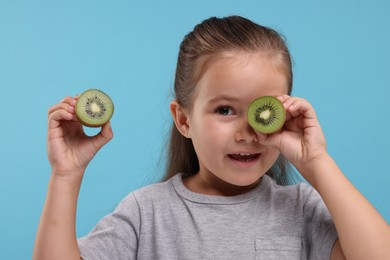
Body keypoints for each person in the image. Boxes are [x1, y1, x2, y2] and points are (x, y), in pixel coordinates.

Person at [33, 16, 390, 260]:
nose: (249, 131)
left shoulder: (300, 209)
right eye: (225, 110)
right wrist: (65, 176)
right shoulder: (146, 213)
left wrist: (317, 162)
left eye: (262, 112)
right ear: (184, 119)